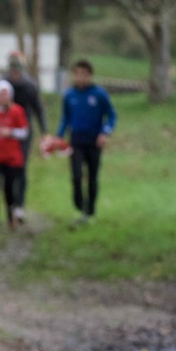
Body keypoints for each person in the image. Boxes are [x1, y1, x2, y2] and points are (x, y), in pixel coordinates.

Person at [56, 59, 117, 226]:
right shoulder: (69, 95)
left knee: (92, 176)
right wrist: (59, 136)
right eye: (77, 74)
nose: (80, 78)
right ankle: (79, 205)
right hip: (76, 141)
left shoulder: (99, 94)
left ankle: (89, 211)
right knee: (76, 176)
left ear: (90, 75)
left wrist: (105, 132)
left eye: (83, 74)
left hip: (94, 141)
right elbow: (65, 117)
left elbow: (111, 115)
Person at [5, 51, 46, 223]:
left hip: (23, 134)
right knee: (6, 171)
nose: (14, 71)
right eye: (12, 67)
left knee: (21, 168)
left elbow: (38, 108)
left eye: (17, 68)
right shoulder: (3, 84)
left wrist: (44, 131)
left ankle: (19, 205)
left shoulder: (29, 85)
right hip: (4, 134)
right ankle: (9, 205)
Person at [0, 80, 30, 230]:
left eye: (6, 94)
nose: (4, 97)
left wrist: (11, 132)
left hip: (11, 157)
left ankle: (11, 216)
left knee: (9, 188)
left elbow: (24, 132)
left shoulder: (16, 111)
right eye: (1, 94)